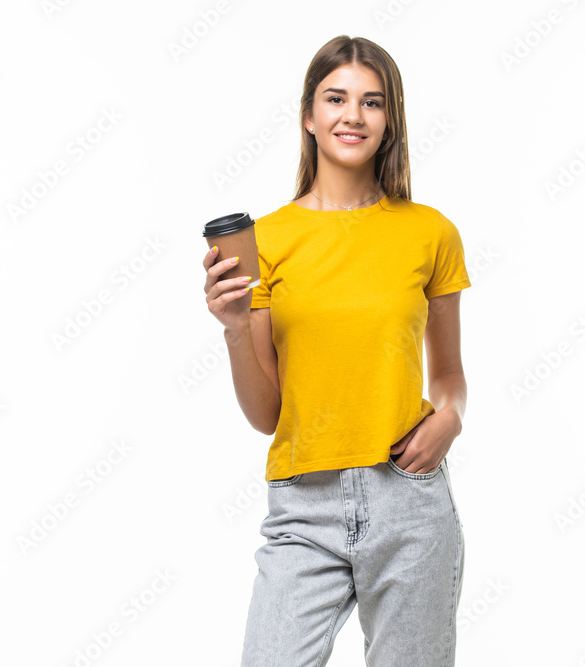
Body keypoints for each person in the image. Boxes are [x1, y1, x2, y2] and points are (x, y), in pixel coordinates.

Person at [203, 35, 471, 667]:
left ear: (389, 119)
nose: (353, 115)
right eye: (336, 98)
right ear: (309, 115)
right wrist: (236, 327)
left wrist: (451, 419)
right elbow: (268, 414)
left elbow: (451, 374)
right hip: (304, 507)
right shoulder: (267, 241)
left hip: (410, 498)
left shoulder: (430, 233)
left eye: (372, 102)